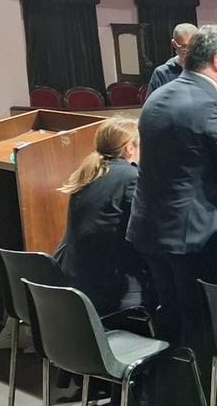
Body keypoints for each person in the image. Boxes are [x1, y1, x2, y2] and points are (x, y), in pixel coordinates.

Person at [128, 25, 217, 359]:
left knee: (170, 315)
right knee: (201, 324)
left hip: (151, 228)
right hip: (193, 238)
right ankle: (200, 400)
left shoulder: (158, 96)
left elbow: (184, 163)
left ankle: (166, 395)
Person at [54, 117, 152, 317]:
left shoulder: (87, 174)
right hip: (111, 289)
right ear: (129, 148)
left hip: (76, 281)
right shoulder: (131, 178)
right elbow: (147, 231)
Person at [148, 23, 197, 91]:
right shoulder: (162, 73)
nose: (189, 51)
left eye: (193, 46)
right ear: (174, 44)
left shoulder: (205, 70)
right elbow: (153, 101)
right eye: (184, 46)